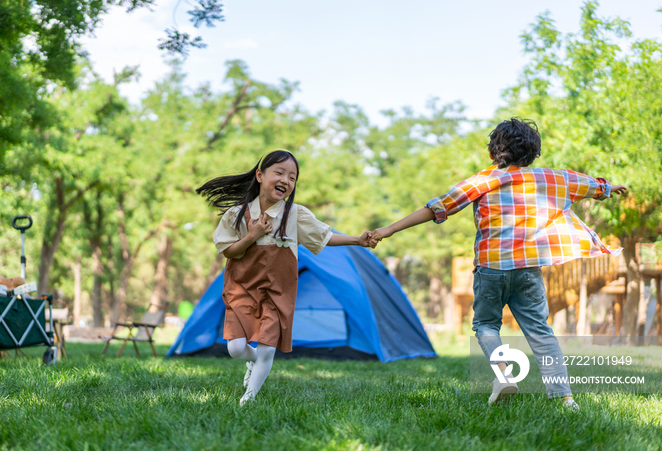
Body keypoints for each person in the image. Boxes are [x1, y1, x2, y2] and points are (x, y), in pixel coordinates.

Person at [371, 118, 627, 410]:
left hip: (491, 267)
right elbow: (591, 185)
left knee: (486, 325)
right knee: (540, 330)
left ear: (494, 152)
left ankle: (504, 375)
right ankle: (565, 397)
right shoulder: (552, 178)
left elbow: (438, 207)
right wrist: (609, 189)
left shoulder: (483, 179)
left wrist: (388, 229)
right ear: (532, 154)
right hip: (528, 269)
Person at [197, 148, 374, 405]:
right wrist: (251, 235)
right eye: (279, 173)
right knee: (235, 349)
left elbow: (325, 236)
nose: (286, 180)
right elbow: (229, 252)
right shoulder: (236, 215)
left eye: (292, 177)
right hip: (242, 288)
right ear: (259, 175)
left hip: (278, 291)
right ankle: (252, 360)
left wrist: (358, 240)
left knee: (268, 348)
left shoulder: (295, 215)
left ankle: (249, 398)